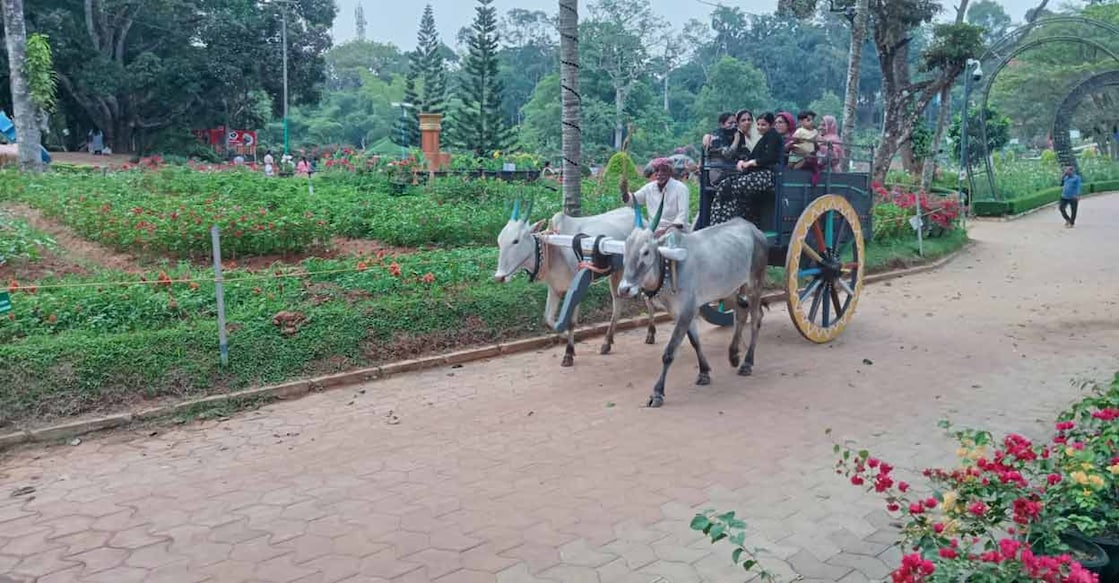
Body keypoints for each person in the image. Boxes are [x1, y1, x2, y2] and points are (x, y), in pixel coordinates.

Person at [709, 112, 783, 227]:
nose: (759, 127)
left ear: (770, 125)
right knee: (726, 184)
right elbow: (748, 156)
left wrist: (752, 162)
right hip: (751, 172)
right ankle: (722, 222)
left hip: (766, 175)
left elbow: (770, 157)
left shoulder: (772, 136)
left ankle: (730, 221)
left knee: (732, 186)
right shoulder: (763, 138)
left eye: (763, 125)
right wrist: (743, 162)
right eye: (758, 124)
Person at [622, 158, 690, 238]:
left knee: (672, 234)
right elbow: (632, 201)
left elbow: (682, 217)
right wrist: (624, 192)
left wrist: (665, 231)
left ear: (670, 172)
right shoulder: (649, 188)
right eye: (657, 171)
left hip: (674, 230)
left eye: (664, 170)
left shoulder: (681, 188)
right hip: (653, 231)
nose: (659, 174)